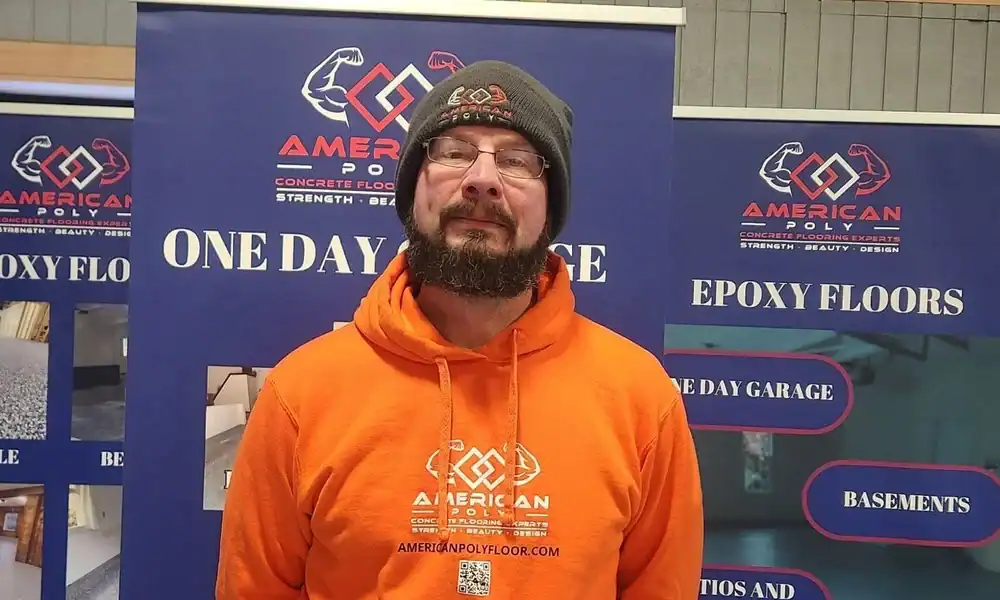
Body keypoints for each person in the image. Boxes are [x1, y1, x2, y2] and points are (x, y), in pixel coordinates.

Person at [216, 60, 703, 599]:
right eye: (453, 152)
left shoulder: (639, 399)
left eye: (517, 160)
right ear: (412, 191)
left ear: (551, 210)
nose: (483, 180)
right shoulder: (303, 393)